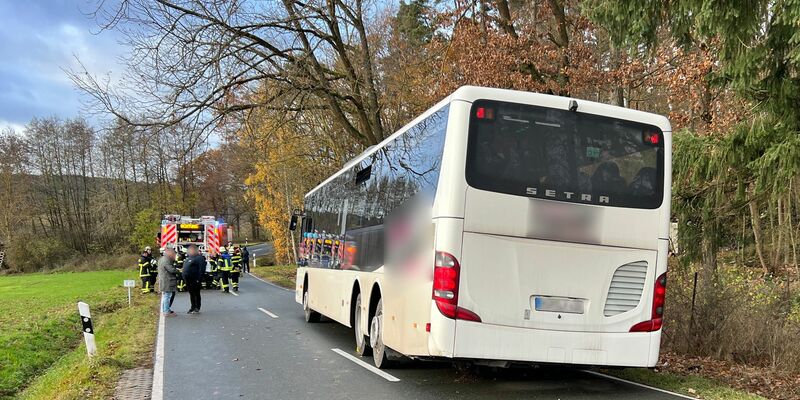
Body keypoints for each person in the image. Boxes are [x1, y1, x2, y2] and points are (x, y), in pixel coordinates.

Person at [183, 244, 205, 314]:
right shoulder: (189, 258)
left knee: (196, 294)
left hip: (195, 279)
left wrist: (199, 279)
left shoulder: (199, 258)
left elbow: (202, 269)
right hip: (188, 279)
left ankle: (197, 307)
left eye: (191, 250)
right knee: (191, 294)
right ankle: (192, 307)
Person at [158, 247, 179, 317]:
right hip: (167, 280)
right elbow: (171, 269)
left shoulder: (163, 259)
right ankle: (166, 311)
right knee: (167, 296)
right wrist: (179, 270)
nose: (174, 256)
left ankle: (166, 310)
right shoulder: (166, 260)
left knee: (166, 296)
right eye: (173, 254)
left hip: (165, 280)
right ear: (169, 253)